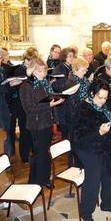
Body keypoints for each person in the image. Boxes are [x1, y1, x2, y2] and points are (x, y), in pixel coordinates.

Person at [71, 80, 111, 221]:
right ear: (91, 94)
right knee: (94, 178)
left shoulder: (105, 106)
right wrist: (99, 132)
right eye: (99, 97)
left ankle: (107, 205)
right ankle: (86, 213)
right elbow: (79, 138)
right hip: (86, 148)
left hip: (105, 145)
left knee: (110, 171)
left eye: (105, 97)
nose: (103, 101)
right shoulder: (82, 109)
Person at [20, 57, 64, 188]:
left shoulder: (44, 83)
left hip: (47, 121)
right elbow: (29, 109)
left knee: (45, 153)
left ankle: (45, 178)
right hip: (37, 124)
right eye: (40, 71)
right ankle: (35, 183)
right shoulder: (26, 86)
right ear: (33, 71)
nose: (43, 73)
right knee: (38, 154)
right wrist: (50, 105)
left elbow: (48, 99)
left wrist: (58, 98)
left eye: (44, 70)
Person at [10, 47, 38, 163]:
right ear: (27, 59)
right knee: (24, 129)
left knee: (31, 128)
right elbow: (19, 86)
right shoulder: (20, 70)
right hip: (22, 104)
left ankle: (32, 151)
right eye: (34, 58)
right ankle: (24, 156)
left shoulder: (32, 68)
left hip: (31, 102)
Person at [52, 47, 76, 139]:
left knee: (71, 125)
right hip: (62, 102)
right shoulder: (59, 69)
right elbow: (55, 86)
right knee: (64, 125)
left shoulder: (72, 67)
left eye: (73, 56)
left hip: (71, 100)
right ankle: (66, 144)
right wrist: (68, 85)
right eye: (69, 56)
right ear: (64, 57)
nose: (72, 58)